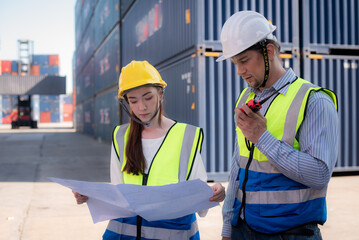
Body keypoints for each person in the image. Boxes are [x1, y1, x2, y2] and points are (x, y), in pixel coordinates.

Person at [216, 11, 339, 239]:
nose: (239, 71)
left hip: (292, 233)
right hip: (242, 229)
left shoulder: (314, 100)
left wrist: (262, 138)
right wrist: (227, 226)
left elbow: (320, 174)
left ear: (269, 52)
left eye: (244, 61)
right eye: (235, 63)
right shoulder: (245, 98)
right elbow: (237, 167)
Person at [73, 60, 225, 240]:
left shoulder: (187, 136)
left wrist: (216, 193)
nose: (141, 107)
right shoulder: (121, 136)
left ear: (160, 94)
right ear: (126, 102)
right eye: (133, 100)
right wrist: (89, 196)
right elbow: (117, 192)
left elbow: (200, 204)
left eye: (148, 97)